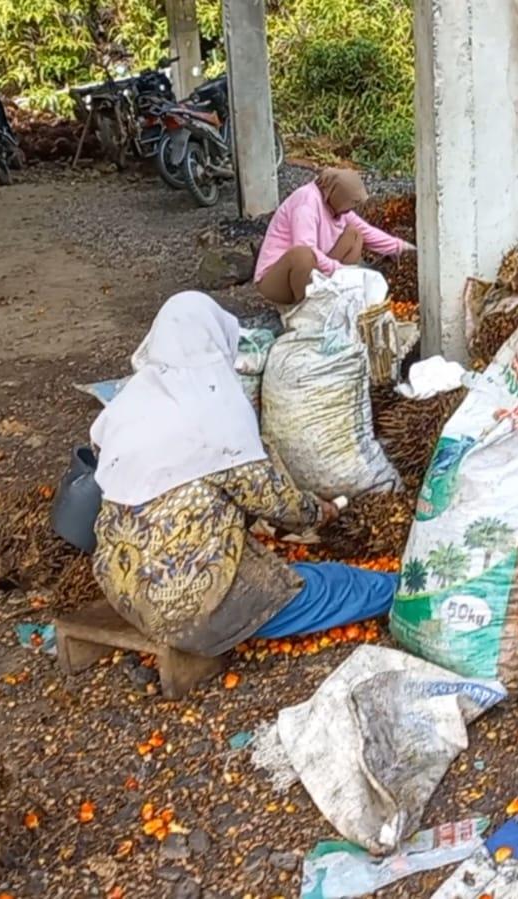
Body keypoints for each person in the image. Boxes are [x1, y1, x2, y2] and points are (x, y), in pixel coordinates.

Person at [88, 291, 397, 679]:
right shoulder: (216, 414)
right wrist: (321, 511)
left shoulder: (128, 404)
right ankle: (400, 590)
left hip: (125, 593)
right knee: (337, 585)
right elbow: (281, 505)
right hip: (192, 607)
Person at [254, 168, 414, 306]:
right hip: (278, 280)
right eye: (349, 205)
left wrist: (406, 249)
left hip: (312, 270)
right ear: (338, 195)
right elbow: (306, 248)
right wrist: (341, 271)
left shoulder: (333, 201)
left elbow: (367, 233)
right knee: (302, 255)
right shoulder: (306, 204)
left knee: (354, 235)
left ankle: (334, 297)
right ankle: (305, 309)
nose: (349, 211)